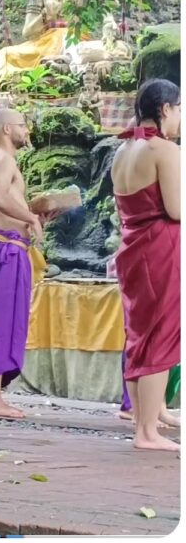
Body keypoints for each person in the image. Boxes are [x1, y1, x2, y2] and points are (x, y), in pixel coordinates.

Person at [111, 78, 180, 452]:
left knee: (140, 334)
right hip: (160, 246)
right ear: (165, 109)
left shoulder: (123, 150)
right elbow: (176, 209)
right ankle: (147, 432)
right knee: (161, 333)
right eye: (180, 108)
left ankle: (144, 422)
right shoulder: (164, 150)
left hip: (132, 245)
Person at [0, 109, 56, 419]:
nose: (27, 129)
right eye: (23, 124)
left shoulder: (1, 160)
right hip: (3, 249)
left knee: (8, 321)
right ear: (7, 129)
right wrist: (30, 216)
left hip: (10, 247)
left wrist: (36, 215)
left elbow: (7, 203)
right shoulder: (3, 159)